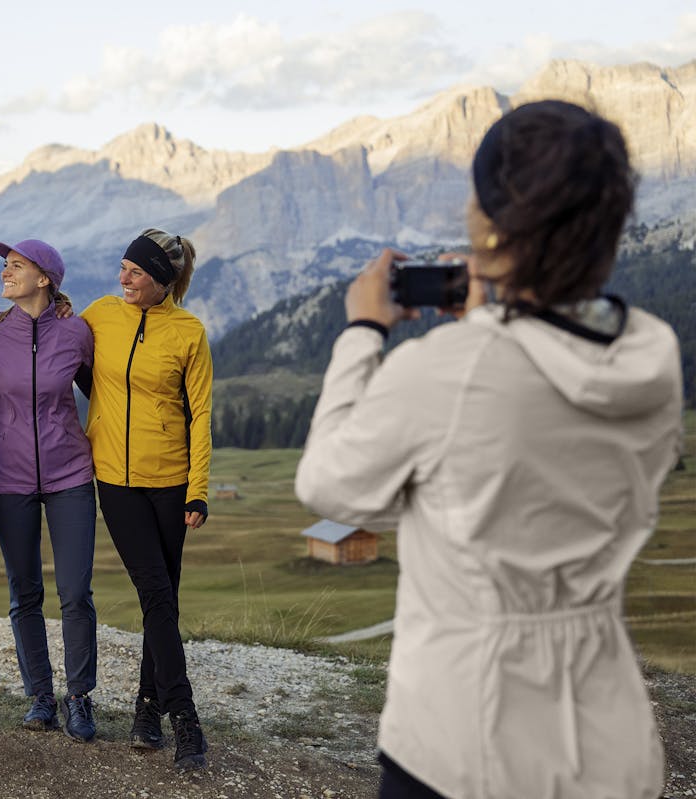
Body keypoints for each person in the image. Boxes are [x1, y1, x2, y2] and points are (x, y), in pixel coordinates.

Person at [295, 100, 682, 798]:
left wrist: (362, 332)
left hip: (464, 743)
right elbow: (534, 393)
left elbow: (327, 482)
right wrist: (495, 318)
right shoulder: (652, 355)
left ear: (493, 227)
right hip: (612, 745)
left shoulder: (448, 369)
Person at [78, 228, 214, 771]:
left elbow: (200, 414)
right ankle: (185, 719)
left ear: (161, 280)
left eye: (135, 272)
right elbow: (66, 348)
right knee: (156, 593)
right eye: (123, 268)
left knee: (162, 601)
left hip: (172, 481)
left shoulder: (188, 332)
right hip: (116, 480)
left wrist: (198, 489)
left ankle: (146, 709)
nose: (123, 279)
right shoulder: (100, 314)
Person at [0, 239, 100, 741]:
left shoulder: (75, 332)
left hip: (71, 474)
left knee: (75, 592)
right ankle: (41, 697)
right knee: (24, 591)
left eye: (17, 266)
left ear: (45, 279)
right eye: (5, 265)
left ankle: (80, 698)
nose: (6, 272)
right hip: (8, 477)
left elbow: (104, 394)